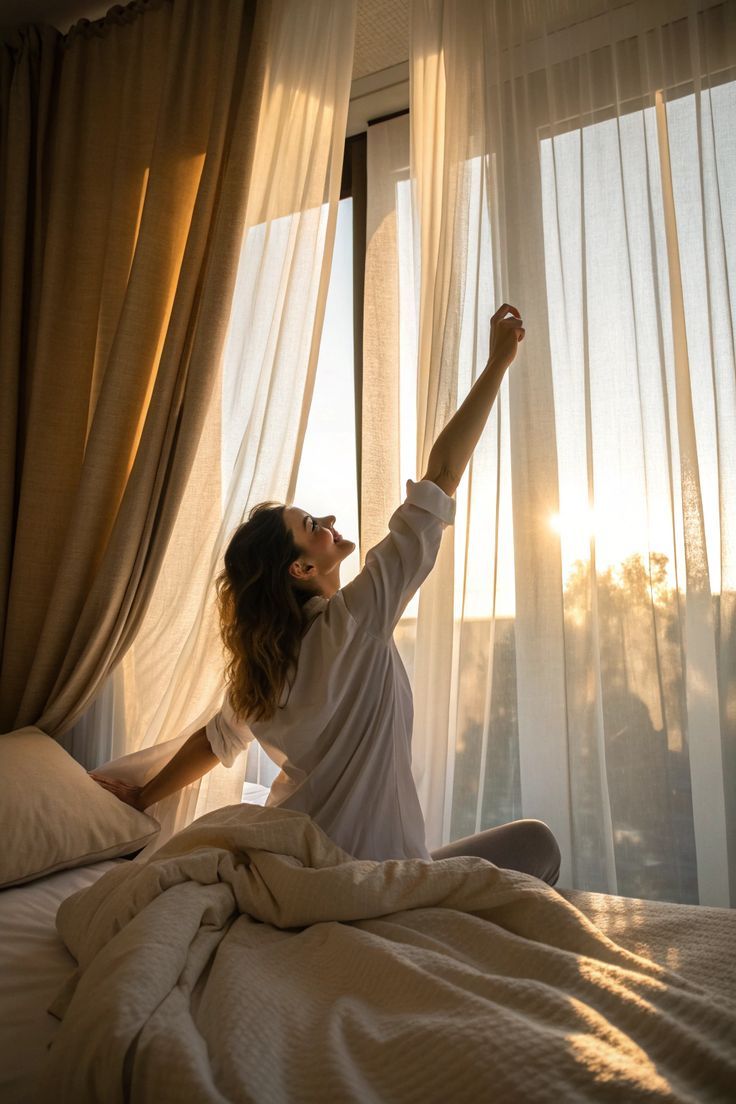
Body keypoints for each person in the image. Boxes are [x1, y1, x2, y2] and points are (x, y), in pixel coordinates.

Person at [92, 303, 561, 884]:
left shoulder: (265, 671)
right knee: (537, 844)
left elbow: (215, 741)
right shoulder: (355, 621)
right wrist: (497, 364)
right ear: (299, 568)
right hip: (380, 876)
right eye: (313, 524)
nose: (331, 521)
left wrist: (143, 797)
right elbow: (441, 475)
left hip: (299, 867)